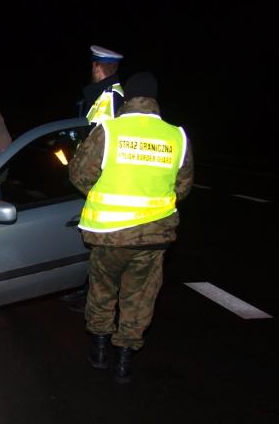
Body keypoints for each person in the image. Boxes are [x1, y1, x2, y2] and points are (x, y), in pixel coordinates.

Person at [69, 72, 194, 383]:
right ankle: (124, 362)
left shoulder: (109, 130)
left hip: (110, 235)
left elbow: (80, 175)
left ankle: (99, 352)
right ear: (154, 100)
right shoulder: (177, 136)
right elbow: (184, 187)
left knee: (101, 291)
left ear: (127, 99)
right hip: (153, 237)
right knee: (139, 298)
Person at [62, 45, 126, 304]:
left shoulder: (111, 97)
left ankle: (95, 293)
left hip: (100, 175)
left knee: (101, 237)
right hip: (93, 172)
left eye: (92, 66)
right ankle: (89, 286)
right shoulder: (105, 94)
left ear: (97, 68)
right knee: (93, 235)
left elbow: (102, 136)